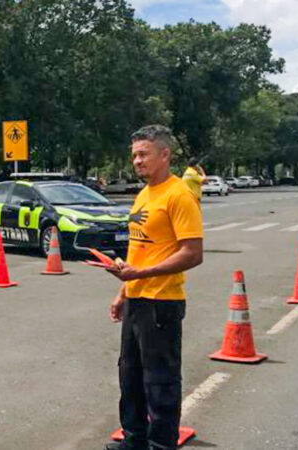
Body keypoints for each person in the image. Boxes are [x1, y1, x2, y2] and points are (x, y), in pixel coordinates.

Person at [103, 125, 203, 450]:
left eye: (143, 154)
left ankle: (161, 445)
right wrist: (122, 292)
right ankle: (134, 441)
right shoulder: (144, 194)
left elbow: (193, 253)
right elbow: (138, 250)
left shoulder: (179, 195)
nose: (137, 161)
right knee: (129, 377)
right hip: (136, 299)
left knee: (160, 382)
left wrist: (141, 272)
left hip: (162, 303)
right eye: (134, 155)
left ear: (164, 154)